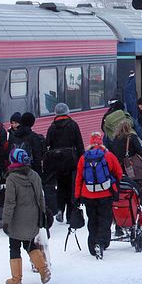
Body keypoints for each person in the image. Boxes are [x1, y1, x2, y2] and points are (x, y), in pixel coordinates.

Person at [3, 149, 50, 284]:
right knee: (29, 244)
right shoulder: (34, 175)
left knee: (14, 247)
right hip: (32, 217)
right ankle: (43, 269)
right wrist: (41, 214)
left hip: (17, 220)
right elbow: (41, 197)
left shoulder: (11, 178)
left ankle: (16, 278)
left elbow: (10, 202)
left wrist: (6, 221)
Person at [74, 132, 123, 260]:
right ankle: (101, 242)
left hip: (88, 194)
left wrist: (77, 196)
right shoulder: (108, 155)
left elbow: (79, 178)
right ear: (101, 142)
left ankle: (92, 245)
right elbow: (119, 172)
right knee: (105, 219)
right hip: (105, 194)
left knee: (92, 219)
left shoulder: (83, 158)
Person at [45, 103, 84, 224]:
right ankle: (70, 215)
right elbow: (79, 143)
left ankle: (60, 209)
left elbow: (47, 144)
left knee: (61, 186)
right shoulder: (73, 125)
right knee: (72, 187)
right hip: (72, 161)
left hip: (57, 162)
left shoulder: (52, 127)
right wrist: (82, 158)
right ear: (67, 112)